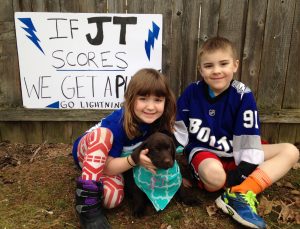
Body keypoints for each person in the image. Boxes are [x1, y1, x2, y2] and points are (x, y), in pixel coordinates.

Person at [174, 37, 299, 229]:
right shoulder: (192, 92)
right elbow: (177, 130)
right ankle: (224, 183)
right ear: (200, 70)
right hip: (205, 152)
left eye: (223, 64)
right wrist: (175, 169)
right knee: (215, 178)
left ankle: (240, 193)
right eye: (209, 66)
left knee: (291, 151)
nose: (216, 70)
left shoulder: (243, 95)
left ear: (235, 65)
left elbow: (248, 140)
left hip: (237, 150)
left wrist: (240, 175)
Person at [72, 68, 176, 229]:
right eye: (143, 99)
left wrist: (176, 176)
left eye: (158, 100)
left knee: (112, 199)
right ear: (130, 99)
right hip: (88, 154)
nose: (151, 107)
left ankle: (93, 186)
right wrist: (134, 159)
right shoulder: (117, 124)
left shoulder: (158, 122)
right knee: (103, 135)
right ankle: (87, 206)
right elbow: (106, 167)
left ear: (166, 102)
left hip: (115, 164)